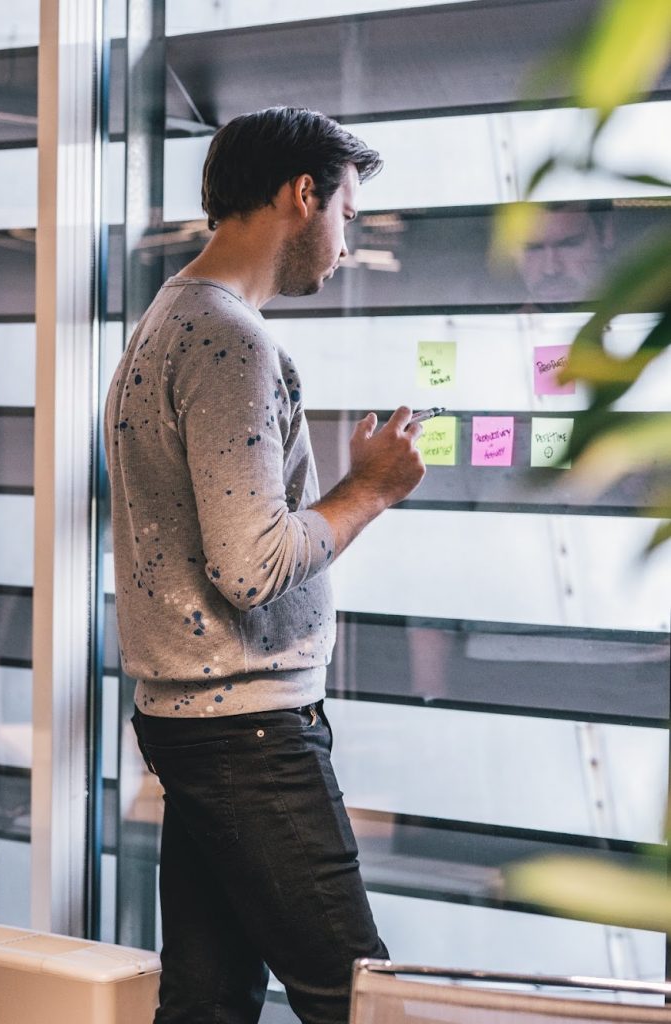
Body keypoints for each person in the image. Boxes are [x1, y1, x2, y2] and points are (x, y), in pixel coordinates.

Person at [104, 106, 426, 1024]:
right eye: (347, 213)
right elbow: (250, 566)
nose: (344, 238)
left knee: (208, 1003)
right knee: (362, 1002)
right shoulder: (229, 339)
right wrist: (369, 489)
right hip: (247, 735)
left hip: (197, 725)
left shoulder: (167, 319)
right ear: (301, 195)